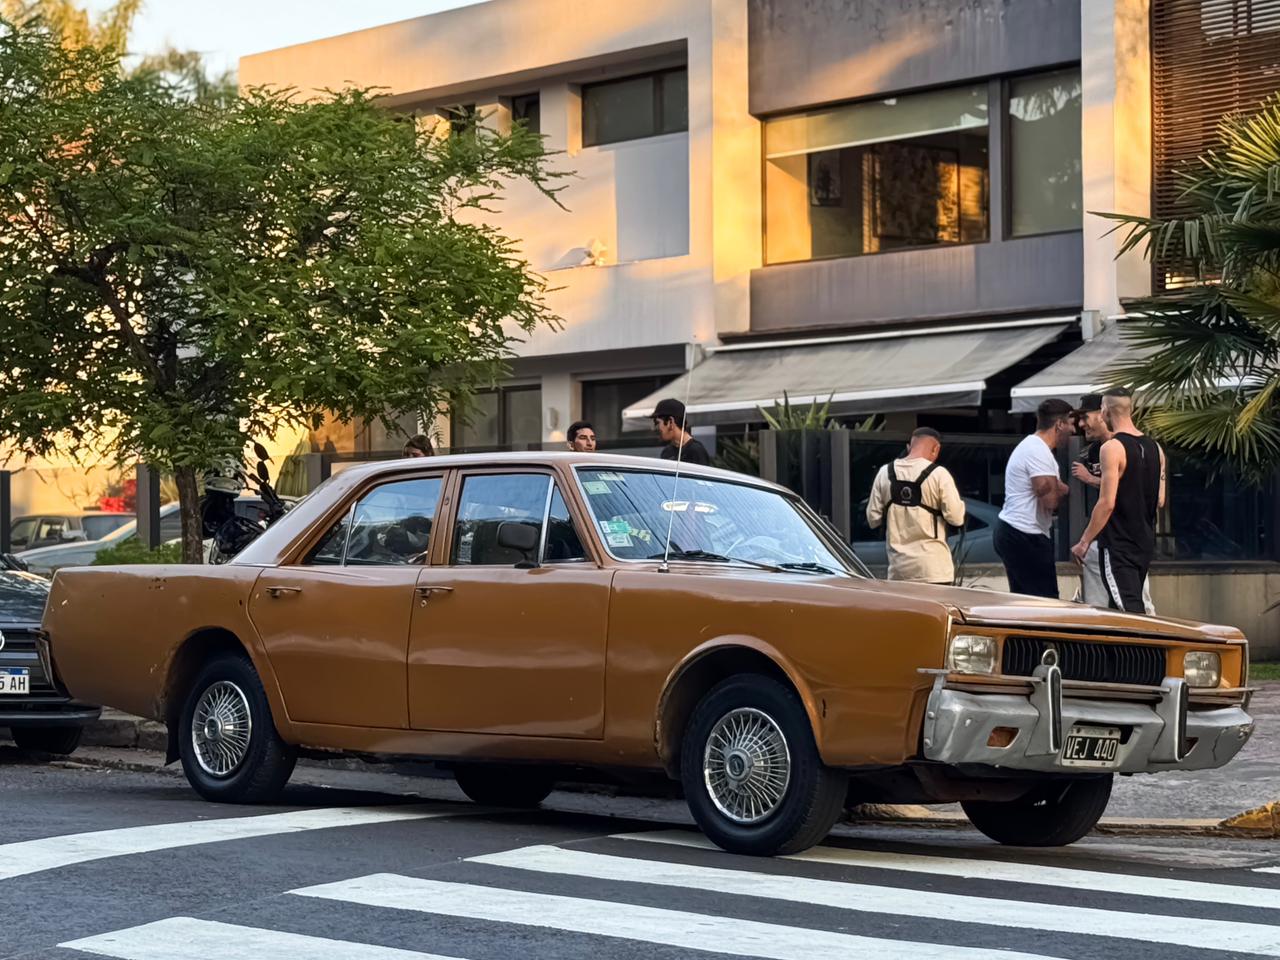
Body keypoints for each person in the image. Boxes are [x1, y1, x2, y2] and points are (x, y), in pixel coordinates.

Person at [1071, 389, 1166, 614]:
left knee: (1131, 610)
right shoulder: (1156, 448)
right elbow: (1160, 500)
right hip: (1144, 541)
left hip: (1118, 544)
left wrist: (1084, 542)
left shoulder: (1111, 448)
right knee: (1122, 606)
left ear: (1104, 411)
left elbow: (1107, 502)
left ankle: (1150, 650)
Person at [994, 398, 1073, 598]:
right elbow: (1050, 501)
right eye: (1071, 423)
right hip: (1025, 534)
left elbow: (1051, 488)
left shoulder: (1034, 448)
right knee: (1044, 603)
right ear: (1059, 424)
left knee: (1026, 601)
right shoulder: (1037, 452)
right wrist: (1060, 488)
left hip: (1018, 532)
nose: (1074, 430)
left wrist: (1056, 485)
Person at [865, 427, 966, 584]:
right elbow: (956, 519)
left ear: (908, 447)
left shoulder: (884, 472)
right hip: (934, 570)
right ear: (936, 449)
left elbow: (873, 519)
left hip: (899, 571)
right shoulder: (939, 474)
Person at [652, 398, 711, 466]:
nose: (654, 428)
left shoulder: (696, 451)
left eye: (657, 423)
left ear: (670, 422)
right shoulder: (666, 452)